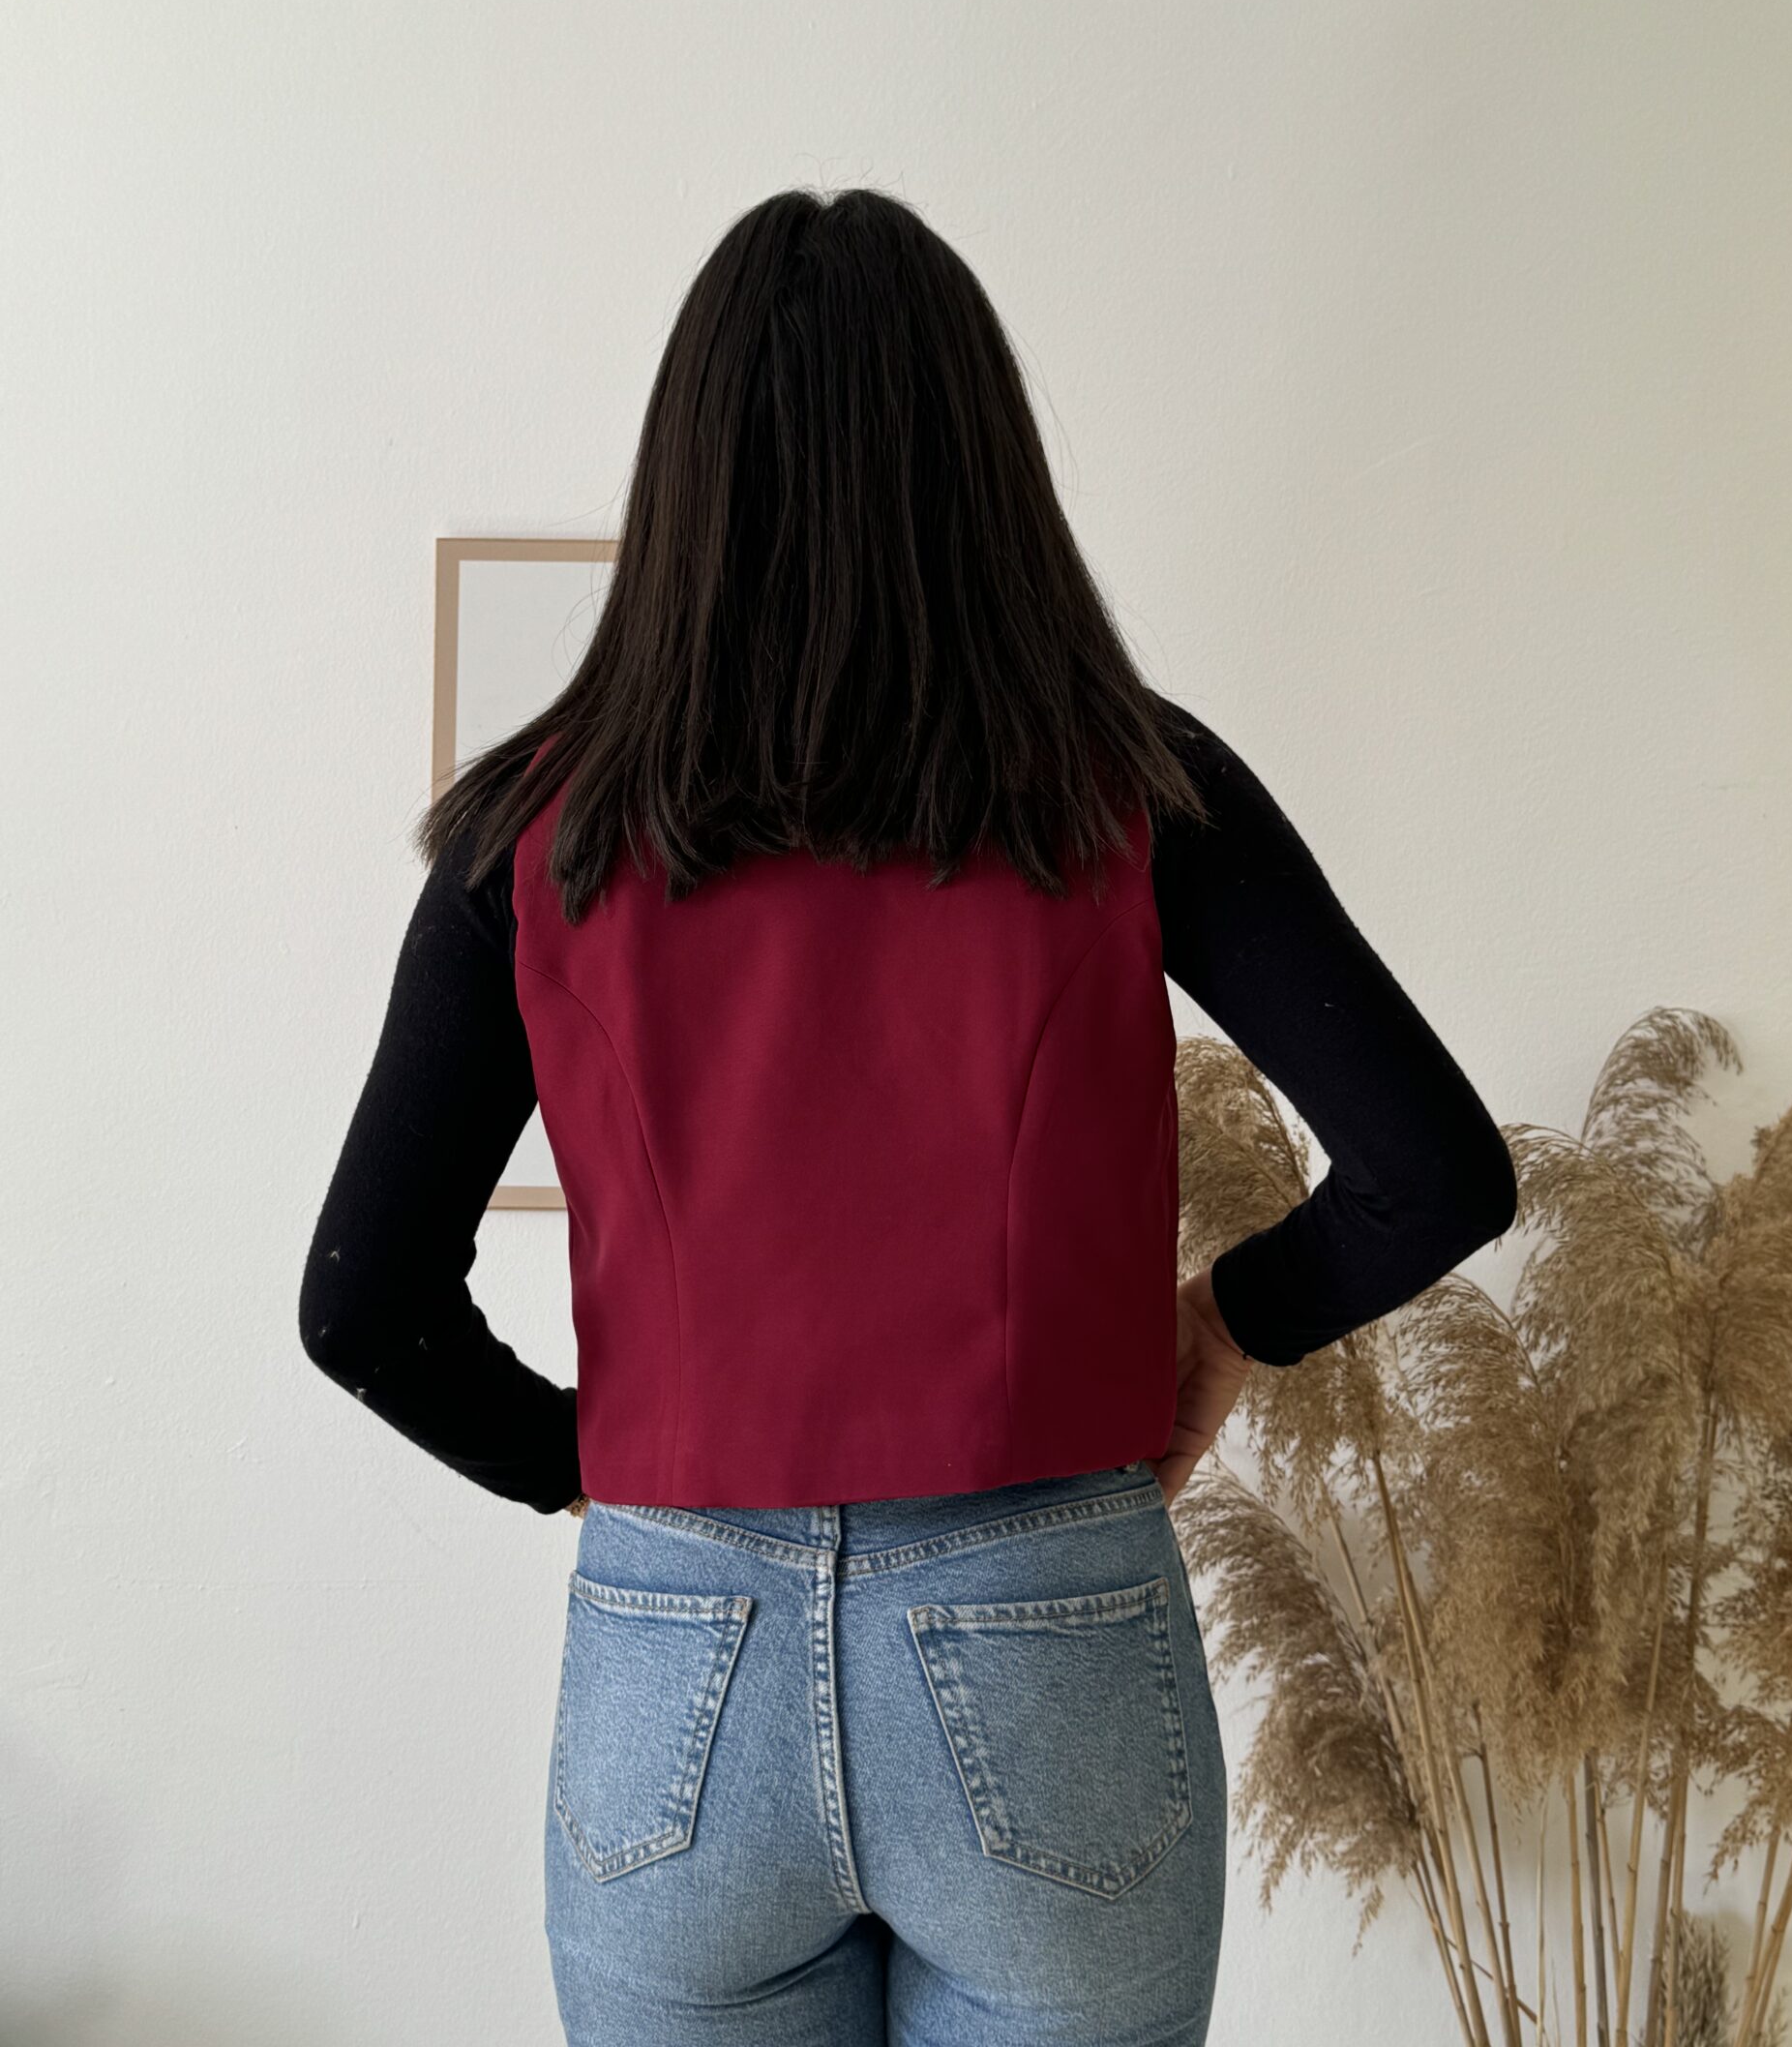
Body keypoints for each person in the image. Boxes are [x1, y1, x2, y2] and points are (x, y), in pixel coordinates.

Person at [299, 184, 1517, 2047]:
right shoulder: (1131, 783)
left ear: (686, 476)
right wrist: (1221, 1327)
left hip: (677, 1655)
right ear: (984, 467)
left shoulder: (534, 831)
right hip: (1048, 1620)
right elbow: (1434, 1174)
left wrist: (607, 1471)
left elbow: (361, 1305)